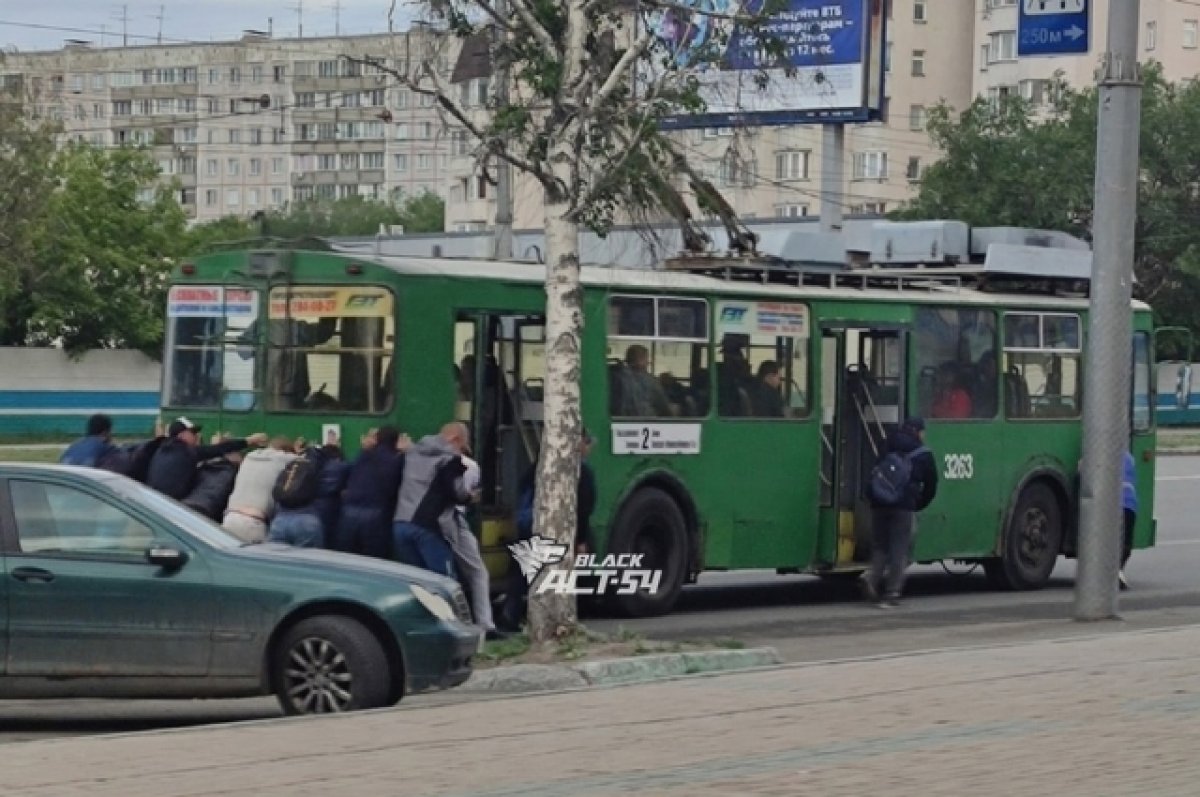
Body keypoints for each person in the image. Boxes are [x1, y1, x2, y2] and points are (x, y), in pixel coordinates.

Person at [499, 428, 596, 631]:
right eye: (587, 443)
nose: (589, 448)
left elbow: (523, 488)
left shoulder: (542, 464)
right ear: (578, 444)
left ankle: (511, 615)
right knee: (553, 576)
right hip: (556, 529)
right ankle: (550, 620)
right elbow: (583, 509)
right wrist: (581, 541)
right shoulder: (581, 472)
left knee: (521, 571)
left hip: (530, 524)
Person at [863, 417, 938, 608]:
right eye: (923, 431)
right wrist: (919, 503)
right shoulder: (923, 454)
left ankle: (871, 580)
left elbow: (876, 470)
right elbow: (931, 485)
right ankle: (892, 592)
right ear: (918, 431)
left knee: (880, 545)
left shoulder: (887, 443)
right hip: (903, 506)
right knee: (899, 548)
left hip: (879, 502)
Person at [392, 422, 472, 579]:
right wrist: (470, 496)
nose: (461, 452)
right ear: (455, 439)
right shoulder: (450, 459)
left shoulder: (413, 452)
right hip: (426, 528)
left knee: (416, 581)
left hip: (400, 524)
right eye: (462, 447)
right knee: (444, 581)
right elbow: (458, 492)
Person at [441, 453, 504, 639]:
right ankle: (484, 624)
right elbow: (463, 495)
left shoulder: (419, 458)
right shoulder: (469, 465)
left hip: (422, 523)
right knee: (477, 572)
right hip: (453, 520)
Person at [146, 418, 266, 500]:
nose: (196, 436)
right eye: (192, 433)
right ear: (181, 435)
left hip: (153, 500)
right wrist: (249, 440)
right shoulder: (185, 451)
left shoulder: (161, 449)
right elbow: (218, 449)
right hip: (171, 504)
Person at [334, 426, 406, 559]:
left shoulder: (364, 455)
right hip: (376, 515)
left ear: (377, 439)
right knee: (374, 561)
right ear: (396, 441)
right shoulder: (397, 460)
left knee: (347, 558)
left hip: (348, 512)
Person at [221, 436, 297, 543]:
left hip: (230, 517)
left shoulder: (249, 457)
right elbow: (300, 461)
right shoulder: (284, 459)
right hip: (253, 522)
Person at [1120, 450, 1138, 590]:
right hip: (1129, 506)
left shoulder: (1099, 457)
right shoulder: (1129, 458)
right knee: (1126, 544)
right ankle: (1118, 571)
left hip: (1111, 507)